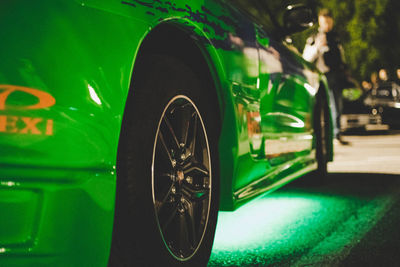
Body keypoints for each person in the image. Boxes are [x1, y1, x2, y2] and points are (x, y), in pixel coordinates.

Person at [303, 8, 349, 145]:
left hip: (336, 76)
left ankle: (337, 134)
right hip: (322, 77)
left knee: (338, 105)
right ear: (320, 22)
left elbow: (342, 57)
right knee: (327, 106)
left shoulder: (336, 38)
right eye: (324, 22)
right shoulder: (313, 38)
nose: (327, 25)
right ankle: (325, 137)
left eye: (329, 22)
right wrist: (317, 47)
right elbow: (306, 58)